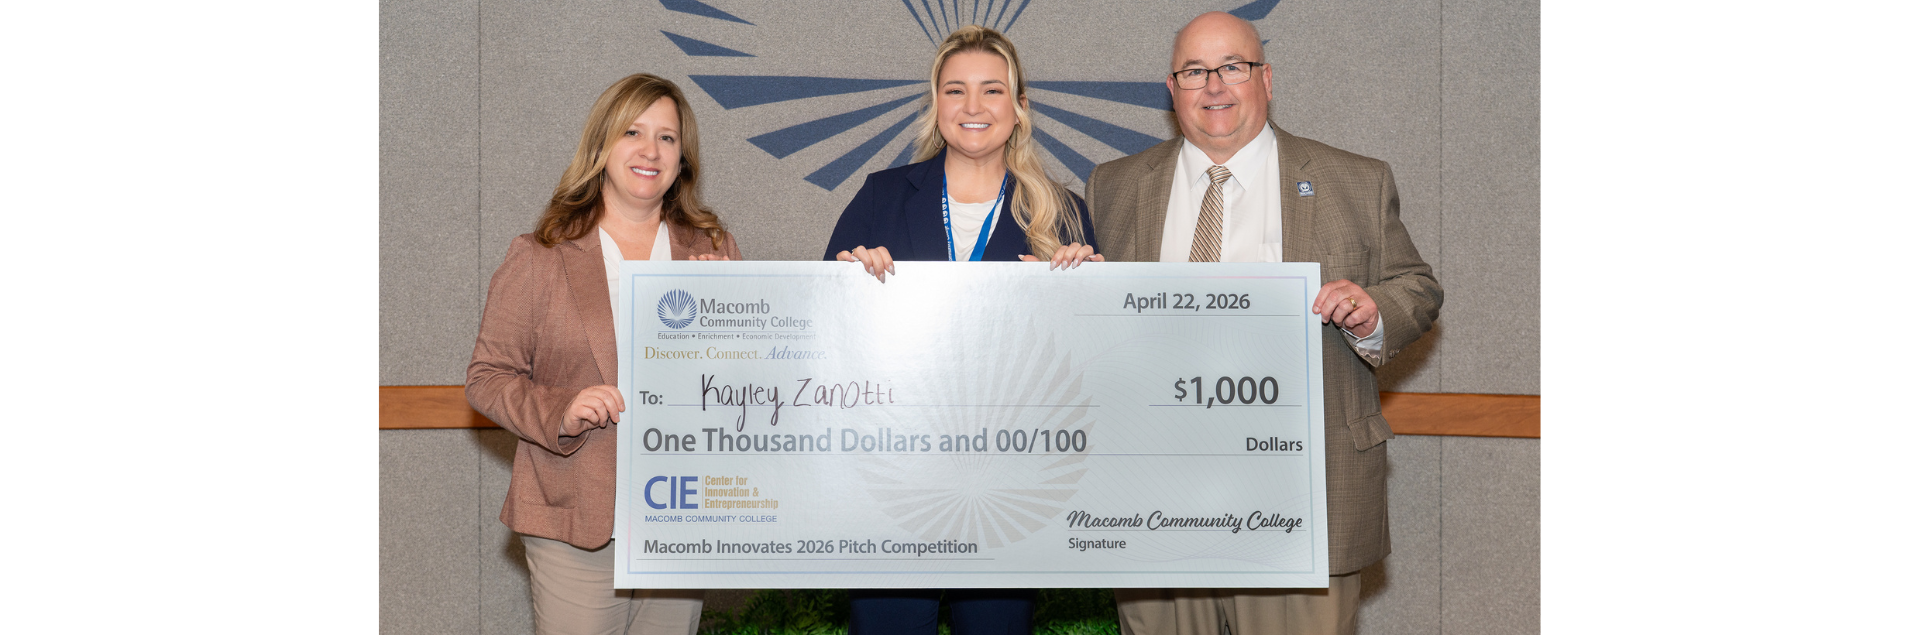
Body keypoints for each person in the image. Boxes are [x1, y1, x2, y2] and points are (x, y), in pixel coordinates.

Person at [1085, 12, 1442, 635]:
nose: (1214, 86)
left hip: (1299, 496)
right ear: (1172, 89)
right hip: (1155, 498)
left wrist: (1371, 313)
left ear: (1266, 79)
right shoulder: (1114, 186)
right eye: (1194, 71)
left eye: (1233, 67)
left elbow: (1417, 287)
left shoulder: (1354, 180)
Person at [819, 25, 1098, 635]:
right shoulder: (881, 196)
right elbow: (823, 343)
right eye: (955, 90)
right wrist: (845, 286)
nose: (974, 106)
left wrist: (1090, 296)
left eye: (992, 90)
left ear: (1019, 108)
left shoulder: (1064, 213)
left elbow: (1089, 374)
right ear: (936, 104)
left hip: (1010, 487)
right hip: (891, 481)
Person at [466, 73, 740, 635]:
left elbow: (748, 385)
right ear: (602, 146)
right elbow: (487, 377)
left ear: (682, 158)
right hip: (575, 517)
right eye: (633, 132)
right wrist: (560, 410)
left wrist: (730, 315)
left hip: (683, 516)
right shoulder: (540, 256)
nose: (650, 150)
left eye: (667, 137)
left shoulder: (714, 250)